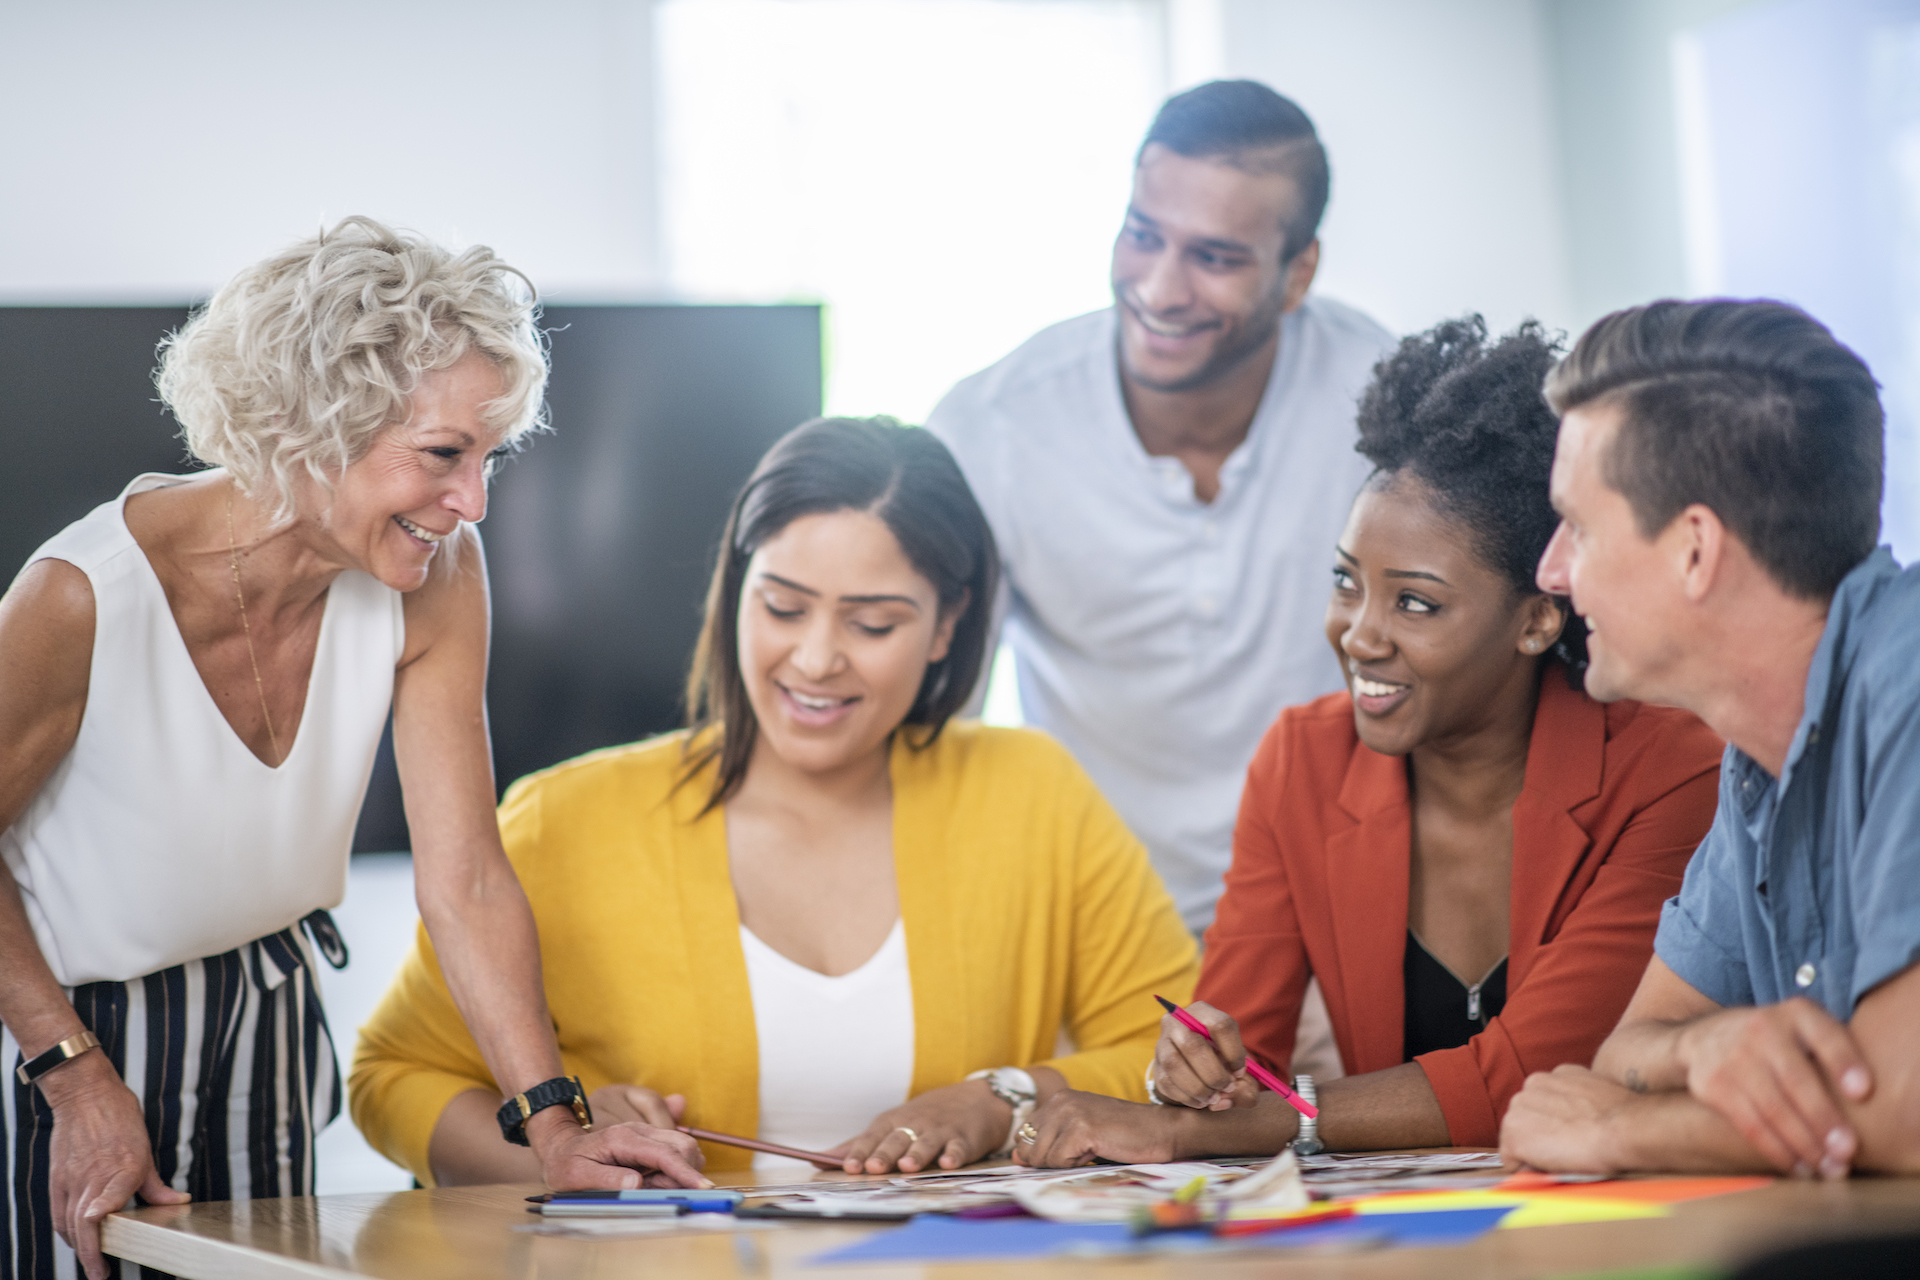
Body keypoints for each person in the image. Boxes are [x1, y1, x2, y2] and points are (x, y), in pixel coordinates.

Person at [0, 219, 702, 1280]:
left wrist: (553, 1123)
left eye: (488, 458)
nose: (471, 502)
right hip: (75, 1027)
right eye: (441, 456)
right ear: (310, 427)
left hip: (275, 1008)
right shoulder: (81, 594)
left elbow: (464, 876)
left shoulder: (439, 575)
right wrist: (74, 1074)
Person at [348, 416, 1200, 1185]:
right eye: (784, 607)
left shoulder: (1032, 793)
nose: (817, 658)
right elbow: (394, 1078)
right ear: (734, 590)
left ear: (947, 627)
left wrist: (1005, 1097)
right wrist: (561, 1140)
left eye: (872, 625)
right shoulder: (565, 821)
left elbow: (1182, 1058)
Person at [1009, 318, 1724, 1168]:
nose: (1359, 635)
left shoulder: (1670, 767)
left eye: (1415, 603)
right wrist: (1197, 1074)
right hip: (1403, 1226)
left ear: (1537, 617)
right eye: (1347, 582)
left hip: (1615, 1214)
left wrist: (1202, 1128)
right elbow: (1243, 1052)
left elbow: (1528, 1076)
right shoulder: (1302, 762)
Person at [926, 80, 1396, 959]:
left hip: (1342, 911)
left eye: (1215, 258)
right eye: (1143, 235)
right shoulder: (991, 428)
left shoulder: (1386, 399)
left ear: (1298, 274)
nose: (1158, 288)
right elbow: (935, 724)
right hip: (1096, 925)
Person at [1500, 300, 1920, 1179]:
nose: (1550, 573)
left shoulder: (1907, 681)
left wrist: (1616, 1133)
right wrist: (1707, 1047)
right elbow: (1631, 1048)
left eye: (1577, 527)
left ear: (1695, 550)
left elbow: (1904, 1111)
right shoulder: (1757, 755)